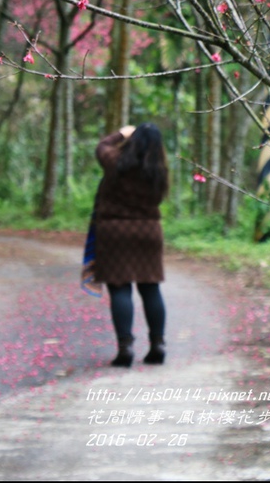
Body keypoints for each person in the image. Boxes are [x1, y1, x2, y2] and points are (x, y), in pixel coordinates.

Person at [92, 122, 168, 368]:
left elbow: (101, 146)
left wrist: (121, 133)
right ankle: (158, 343)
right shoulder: (159, 171)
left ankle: (125, 347)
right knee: (150, 288)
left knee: (120, 288)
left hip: (114, 232)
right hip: (148, 233)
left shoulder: (116, 162)